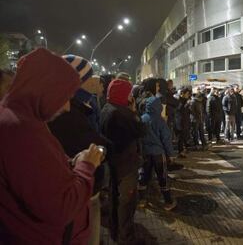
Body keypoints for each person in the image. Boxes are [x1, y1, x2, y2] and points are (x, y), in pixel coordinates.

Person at [0, 48, 103, 244]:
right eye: (65, 96)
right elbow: (61, 207)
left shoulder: (22, 120)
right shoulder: (20, 130)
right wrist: (86, 166)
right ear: (46, 88)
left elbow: (40, 179)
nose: (67, 107)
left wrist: (72, 163)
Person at [47, 55, 107, 245]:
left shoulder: (84, 106)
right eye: (91, 77)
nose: (96, 81)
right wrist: (90, 161)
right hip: (81, 194)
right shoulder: (67, 114)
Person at [100, 79, 145, 244]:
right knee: (127, 203)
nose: (131, 96)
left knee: (115, 198)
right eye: (129, 93)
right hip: (126, 165)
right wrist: (133, 112)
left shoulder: (106, 108)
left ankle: (115, 231)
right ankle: (127, 238)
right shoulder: (122, 114)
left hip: (113, 162)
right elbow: (141, 130)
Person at [138, 96, 177, 211]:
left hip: (145, 152)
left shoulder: (142, 119)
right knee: (162, 176)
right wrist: (171, 154)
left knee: (144, 175)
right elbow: (166, 138)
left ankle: (142, 200)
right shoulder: (160, 121)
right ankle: (168, 201)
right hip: (158, 154)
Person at [175, 87, 192, 157]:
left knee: (185, 136)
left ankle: (184, 149)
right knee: (180, 138)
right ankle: (180, 151)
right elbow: (178, 110)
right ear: (182, 94)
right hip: (180, 121)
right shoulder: (179, 100)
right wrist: (187, 104)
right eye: (187, 94)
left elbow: (188, 111)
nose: (188, 95)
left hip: (186, 121)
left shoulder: (186, 100)